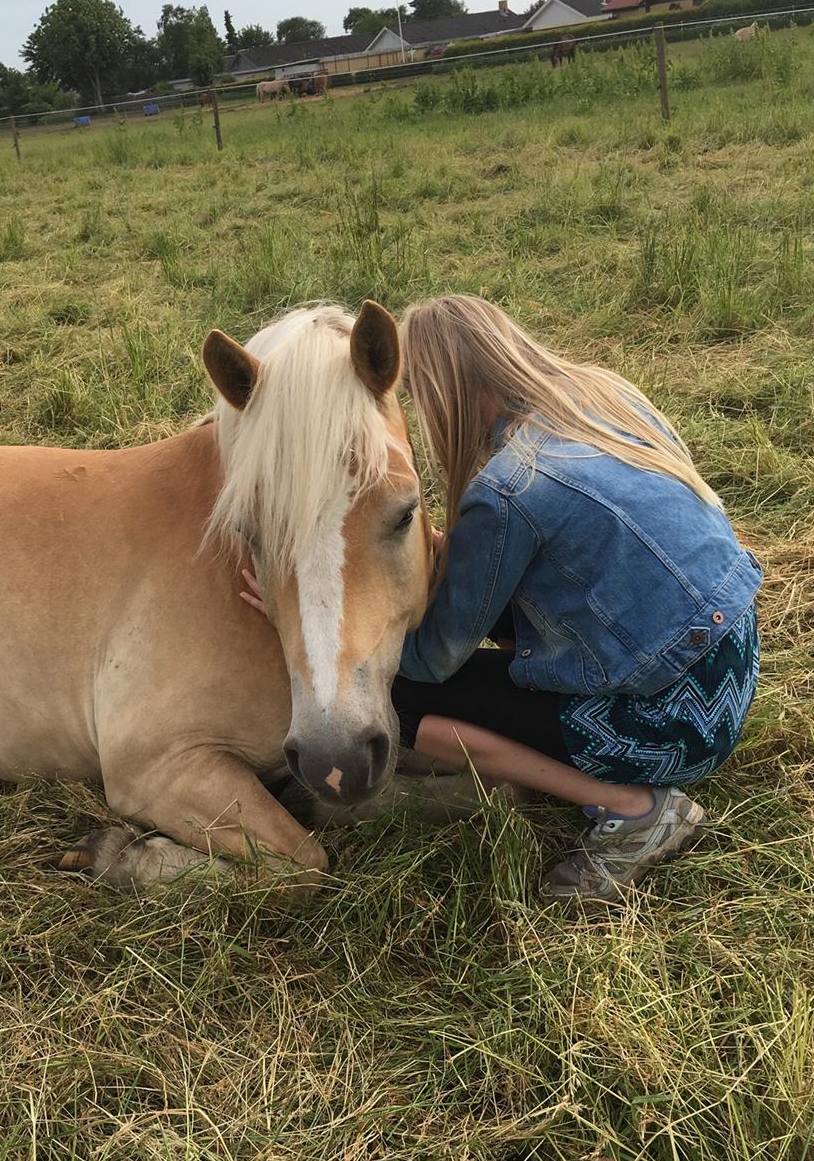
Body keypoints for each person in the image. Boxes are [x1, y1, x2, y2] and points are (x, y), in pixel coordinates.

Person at [243, 295, 761, 903]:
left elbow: (437, 657)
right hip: (731, 674)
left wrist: (330, 604)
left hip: (666, 727)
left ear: (443, 392)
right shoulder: (605, 399)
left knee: (405, 697)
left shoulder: (509, 490)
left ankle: (635, 810)